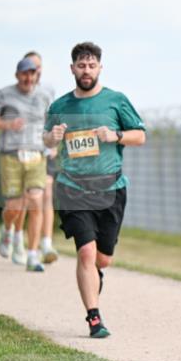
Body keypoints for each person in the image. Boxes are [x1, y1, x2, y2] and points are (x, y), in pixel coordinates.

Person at [43, 42, 146, 338]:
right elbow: (47, 142)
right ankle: (94, 318)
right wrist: (53, 135)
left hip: (111, 188)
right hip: (72, 188)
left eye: (91, 65)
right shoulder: (60, 106)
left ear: (99, 68)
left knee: (102, 259)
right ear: (72, 68)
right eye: (81, 65)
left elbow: (141, 136)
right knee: (86, 253)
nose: (86, 71)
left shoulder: (116, 100)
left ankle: (94, 275)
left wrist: (116, 135)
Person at [0, 57, 54, 271]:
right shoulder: (5, 94)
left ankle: (32, 255)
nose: (28, 77)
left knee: (35, 200)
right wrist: (8, 124)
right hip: (11, 155)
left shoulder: (44, 96)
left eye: (32, 73)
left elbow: (50, 121)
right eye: (24, 73)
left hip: (36, 155)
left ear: (36, 75)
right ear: (17, 75)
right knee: (14, 207)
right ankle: (7, 230)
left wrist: (52, 142)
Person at [24, 51, 60, 263]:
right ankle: (17, 234)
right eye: (31, 66)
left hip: (45, 151)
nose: (35, 70)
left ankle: (46, 244)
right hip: (23, 153)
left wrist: (53, 144)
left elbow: (53, 117)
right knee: (26, 201)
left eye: (38, 66)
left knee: (46, 195)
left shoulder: (48, 91)